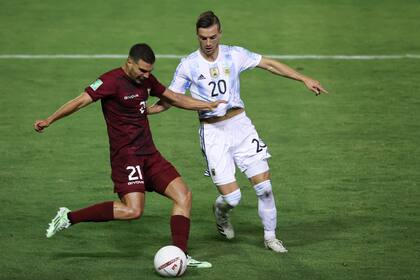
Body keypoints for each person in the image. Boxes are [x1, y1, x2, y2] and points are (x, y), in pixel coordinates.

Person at [147, 11, 327, 253]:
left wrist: (303, 78)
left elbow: (270, 64)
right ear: (197, 37)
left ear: (220, 33)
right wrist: (144, 111)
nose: (208, 43)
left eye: (212, 37)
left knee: (264, 187)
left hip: (240, 127)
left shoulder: (235, 54)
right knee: (233, 199)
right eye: (203, 38)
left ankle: (270, 236)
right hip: (213, 134)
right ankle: (221, 214)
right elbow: (171, 99)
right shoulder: (188, 65)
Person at [34, 43, 225, 267]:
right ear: (129, 62)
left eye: (150, 71)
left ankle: (181, 254)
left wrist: (207, 104)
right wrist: (49, 120)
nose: (146, 76)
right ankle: (68, 217)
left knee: (184, 196)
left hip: (150, 154)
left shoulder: (146, 80)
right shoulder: (110, 81)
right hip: (126, 157)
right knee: (133, 211)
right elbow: (79, 102)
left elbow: (173, 97)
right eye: (142, 70)